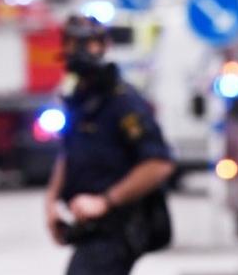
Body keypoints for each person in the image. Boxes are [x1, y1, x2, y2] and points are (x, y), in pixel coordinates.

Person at [45, 15, 174, 275]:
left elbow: (159, 164)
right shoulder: (81, 98)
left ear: (104, 46)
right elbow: (69, 153)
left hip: (117, 228)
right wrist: (51, 203)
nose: (79, 52)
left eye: (89, 43)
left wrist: (105, 201)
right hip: (88, 230)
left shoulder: (123, 102)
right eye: (73, 44)